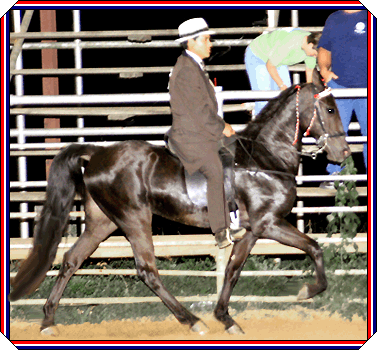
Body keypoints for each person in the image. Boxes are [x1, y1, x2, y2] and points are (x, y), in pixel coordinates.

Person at [166, 18, 246, 248]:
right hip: (190, 136)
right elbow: (200, 113)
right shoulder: (186, 72)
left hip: (200, 130)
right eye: (206, 39)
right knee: (214, 169)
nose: (210, 43)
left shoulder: (193, 66)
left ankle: (237, 215)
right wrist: (222, 127)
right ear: (191, 42)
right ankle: (221, 230)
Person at [317, 10, 368, 189]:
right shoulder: (334, 18)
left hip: (369, 88)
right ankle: (336, 174)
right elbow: (324, 47)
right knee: (336, 131)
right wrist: (324, 70)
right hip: (340, 86)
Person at [244, 28, 321, 116]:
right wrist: (282, 86)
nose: (314, 57)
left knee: (286, 100)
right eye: (314, 54)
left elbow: (309, 71)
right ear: (310, 45)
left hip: (278, 60)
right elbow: (270, 65)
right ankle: (259, 127)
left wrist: (309, 93)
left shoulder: (312, 46)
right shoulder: (290, 43)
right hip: (258, 55)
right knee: (264, 100)